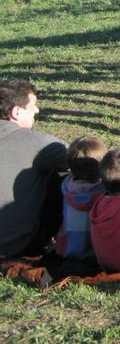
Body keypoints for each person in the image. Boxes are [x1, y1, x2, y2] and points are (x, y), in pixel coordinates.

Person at [0, 80, 67, 258]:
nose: (37, 110)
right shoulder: (38, 144)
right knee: (65, 176)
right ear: (15, 111)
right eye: (33, 105)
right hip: (16, 246)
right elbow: (90, 162)